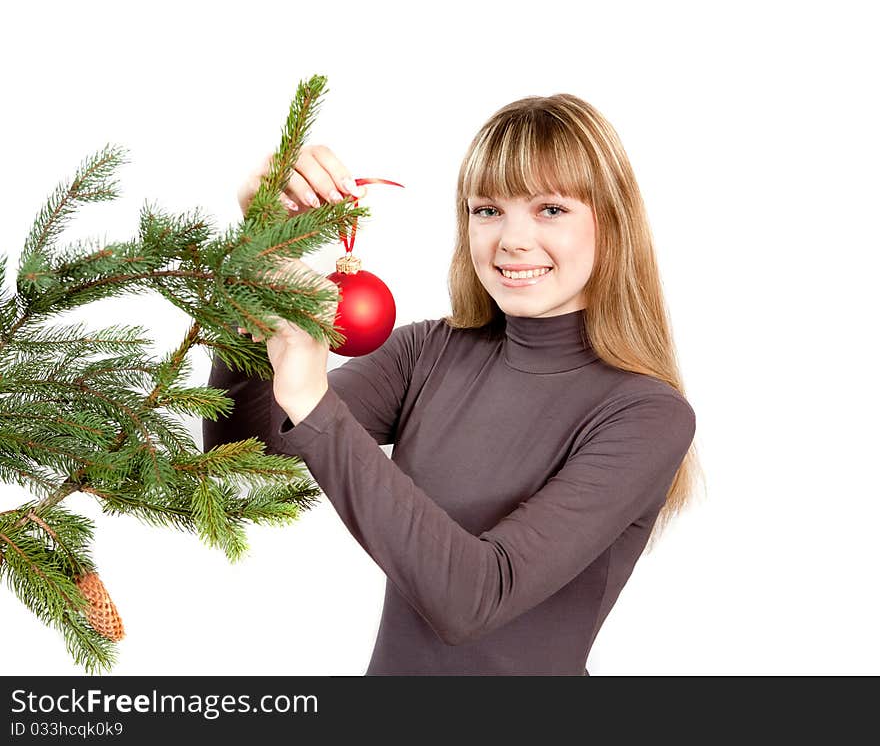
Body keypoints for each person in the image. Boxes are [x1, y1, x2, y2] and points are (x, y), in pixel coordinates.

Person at [202, 93, 700, 676]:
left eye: (551, 209)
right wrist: (261, 255)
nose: (511, 240)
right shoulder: (428, 353)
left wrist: (314, 399)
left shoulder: (645, 415)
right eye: (487, 209)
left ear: (611, 223)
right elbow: (241, 455)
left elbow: (473, 600)